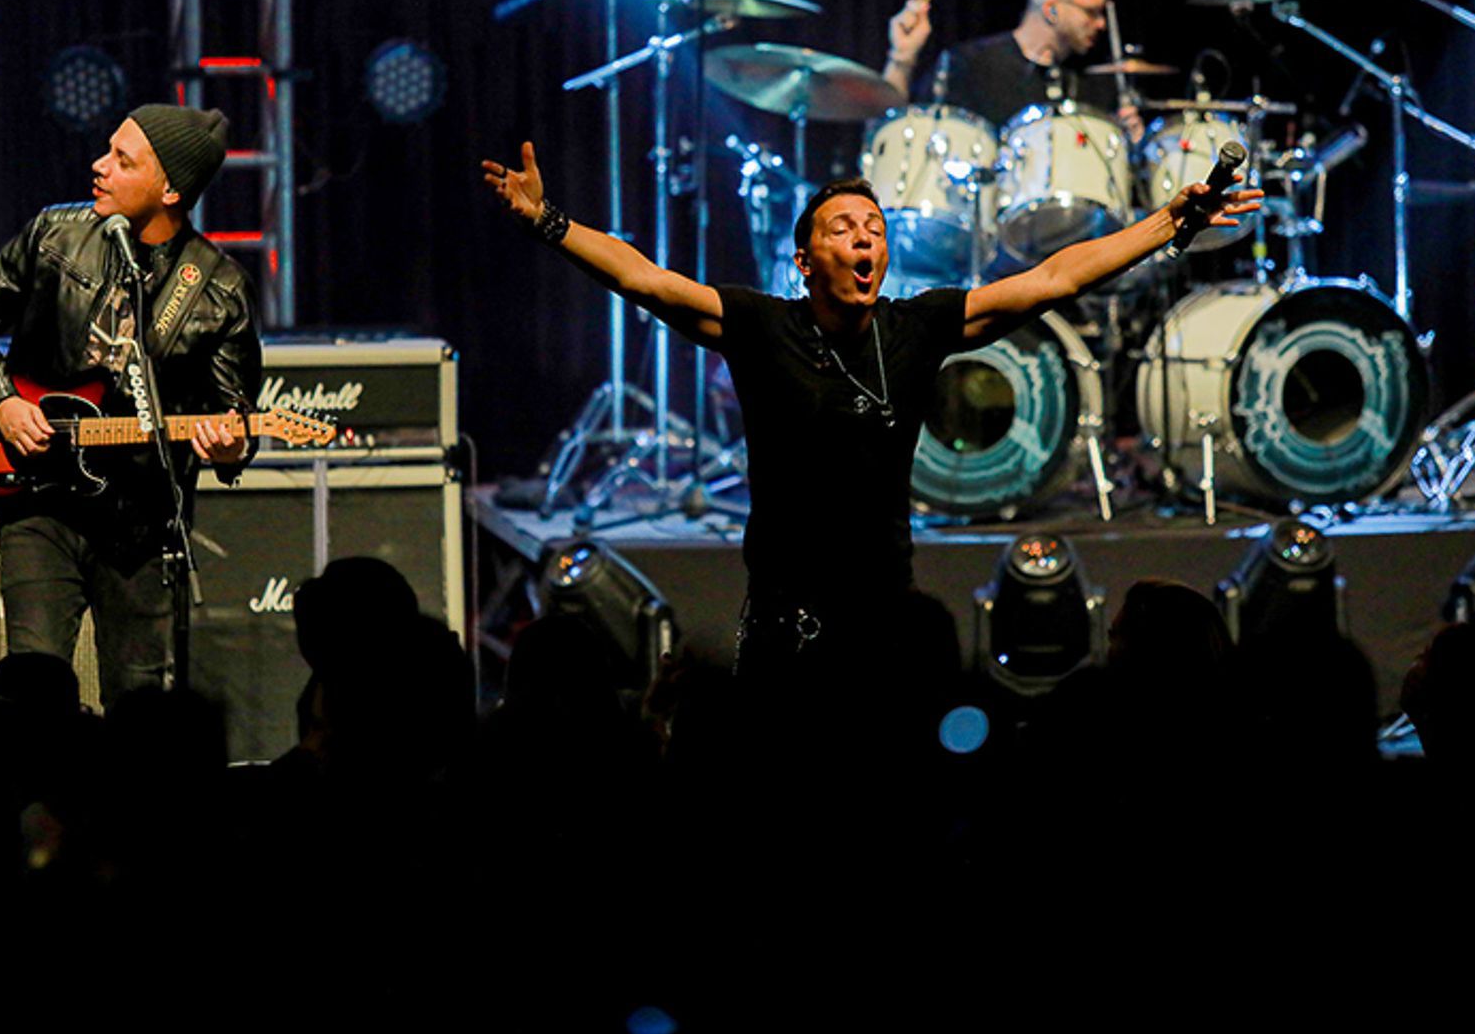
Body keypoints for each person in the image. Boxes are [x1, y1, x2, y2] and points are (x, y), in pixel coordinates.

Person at [479, 142, 1258, 671]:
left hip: (887, 615)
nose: (866, 238)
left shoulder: (914, 328)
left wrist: (1170, 223)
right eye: (844, 227)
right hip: (783, 621)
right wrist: (550, 222)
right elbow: (645, 280)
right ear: (805, 259)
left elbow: (1054, 280)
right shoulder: (761, 326)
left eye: (875, 228)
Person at [0, 104, 262, 706]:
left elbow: (235, 416)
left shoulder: (218, 289)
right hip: (40, 505)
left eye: (123, 159)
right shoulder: (54, 235)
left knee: (139, 708)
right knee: (31, 695)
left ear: (169, 188)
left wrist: (234, 444)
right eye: (108, 150)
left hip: (142, 529)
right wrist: (2, 404)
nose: (99, 166)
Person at [882, 0, 1145, 142]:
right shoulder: (969, 66)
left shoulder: (1094, 84)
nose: (1101, 24)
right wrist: (901, 59)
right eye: (1091, 12)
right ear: (1051, 10)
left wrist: (1130, 146)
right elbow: (897, 138)